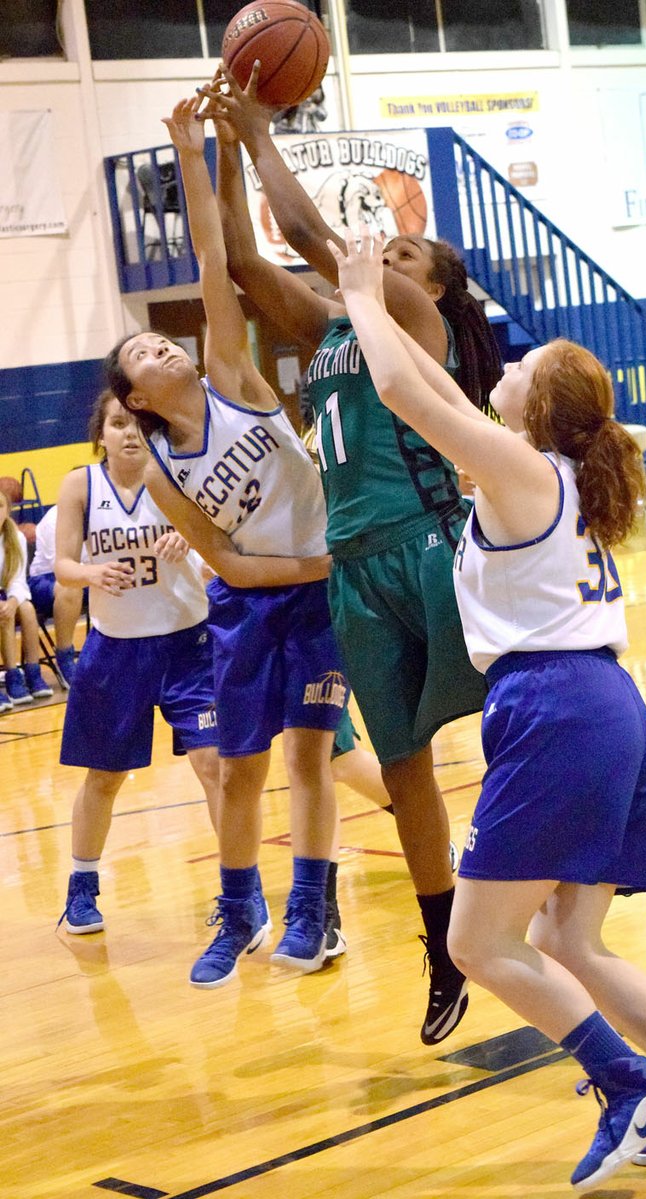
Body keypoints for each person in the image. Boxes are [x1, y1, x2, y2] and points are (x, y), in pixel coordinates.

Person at [327, 227, 646, 1191]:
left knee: (475, 942)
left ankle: (622, 1082)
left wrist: (362, 292)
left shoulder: (522, 474)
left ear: (537, 405)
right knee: (564, 940)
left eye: (523, 366)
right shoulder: (541, 471)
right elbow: (431, 390)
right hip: (608, 705)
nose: (507, 367)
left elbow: (403, 391)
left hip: (555, 705)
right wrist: (380, 305)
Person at [198, 66, 501, 1045]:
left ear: (436, 287)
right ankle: (441, 948)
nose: (386, 248)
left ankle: (637, 836)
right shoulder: (329, 328)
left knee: (523, 717)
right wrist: (212, 141)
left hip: (425, 547)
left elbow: (315, 241)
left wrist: (258, 132)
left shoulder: (410, 320)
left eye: (407, 248)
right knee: (403, 767)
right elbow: (247, 261)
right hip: (351, 564)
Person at [104, 95, 347, 985]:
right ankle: (241, 905)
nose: (157, 350)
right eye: (140, 354)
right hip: (256, 601)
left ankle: (314, 909)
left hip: (318, 596)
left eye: (157, 343)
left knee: (311, 755)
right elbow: (230, 561)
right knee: (241, 771)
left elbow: (215, 256)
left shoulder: (231, 374)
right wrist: (319, 562)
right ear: (131, 397)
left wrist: (193, 147)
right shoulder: (160, 471)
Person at [54, 389, 225, 938]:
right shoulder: (81, 484)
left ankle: (238, 890)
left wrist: (191, 535)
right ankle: (82, 886)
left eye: (136, 423)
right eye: (116, 423)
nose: (128, 432)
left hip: (188, 645)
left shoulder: (178, 476)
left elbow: (217, 545)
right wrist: (89, 574)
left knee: (215, 768)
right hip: (116, 647)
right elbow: (61, 565)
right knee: (105, 776)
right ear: (100, 432)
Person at [0, 485, 54, 707]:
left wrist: (12, 601)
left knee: (26, 608)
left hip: (6, 594)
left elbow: (18, 581)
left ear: (8, 509)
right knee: (5, 612)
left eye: (0, 506)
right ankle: (11, 673)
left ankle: (31, 673)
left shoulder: (15, 537)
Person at [28, 503, 84, 687]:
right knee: (70, 587)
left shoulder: (103, 510)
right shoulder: (55, 519)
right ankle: (64, 655)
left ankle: (117, 653)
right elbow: (62, 568)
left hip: (88, 574)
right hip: (45, 580)